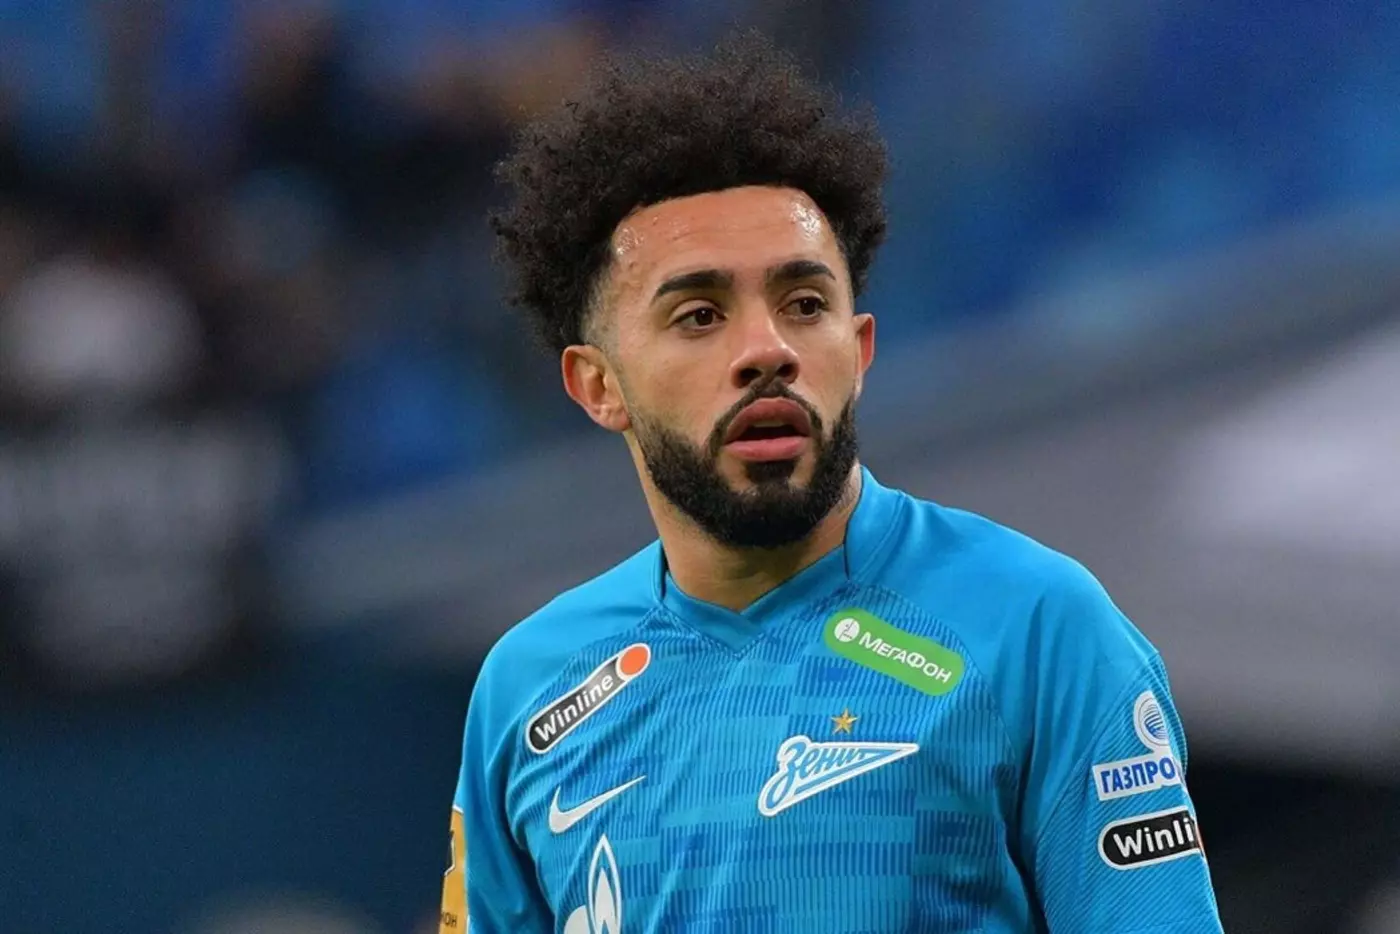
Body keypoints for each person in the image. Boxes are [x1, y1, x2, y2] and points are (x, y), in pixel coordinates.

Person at [439, 34, 1223, 934]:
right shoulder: (529, 690)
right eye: (699, 315)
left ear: (858, 348)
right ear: (597, 384)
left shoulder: (1040, 630)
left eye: (805, 305)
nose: (767, 349)